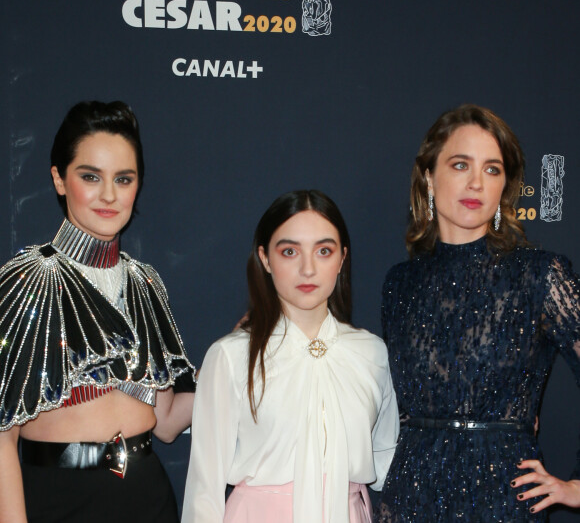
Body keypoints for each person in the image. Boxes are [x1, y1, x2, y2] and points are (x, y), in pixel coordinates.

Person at [374, 104, 580, 522]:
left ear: (505, 186)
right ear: (429, 176)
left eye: (492, 169)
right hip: (411, 498)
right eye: (460, 164)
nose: (476, 182)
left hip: (504, 501)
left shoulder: (539, 275)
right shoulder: (400, 283)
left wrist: (576, 486)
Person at [0, 101, 196, 523]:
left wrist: (239, 357)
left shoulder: (146, 283)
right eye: (91, 176)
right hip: (60, 499)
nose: (109, 195)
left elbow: (164, 423)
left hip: (148, 495)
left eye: (123, 179)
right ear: (58, 179)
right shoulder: (24, 281)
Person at [182, 190, 399, 523]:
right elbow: (204, 488)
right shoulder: (230, 356)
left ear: (342, 258)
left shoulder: (372, 353)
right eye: (289, 251)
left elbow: (390, 460)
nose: (308, 269)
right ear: (265, 258)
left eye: (323, 251)